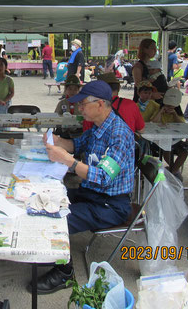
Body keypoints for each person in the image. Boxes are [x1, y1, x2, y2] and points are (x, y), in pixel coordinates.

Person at [33, 80, 134, 294]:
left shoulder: (119, 134)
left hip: (110, 205)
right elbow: (77, 145)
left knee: (58, 217)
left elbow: (103, 176)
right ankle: (52, 252)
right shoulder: (98, 127)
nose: (79, 108)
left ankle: (64, 274)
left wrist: (68, 161)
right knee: (46, 198)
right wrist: (58, 141)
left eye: (83, 104)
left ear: (100, 104)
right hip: (93, 194)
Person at [151, 88, 188, 179]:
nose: (169, 108)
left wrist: (175, 115)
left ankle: (172, 171)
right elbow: (152, 123)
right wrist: (160, 112)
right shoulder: (160, 110)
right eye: (167, 106)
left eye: (171, 107)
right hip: (161, 141)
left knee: (184, 152)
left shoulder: (177, 113)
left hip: (176, 141)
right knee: (167, 150)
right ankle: (173, 171)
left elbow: (183, 126)